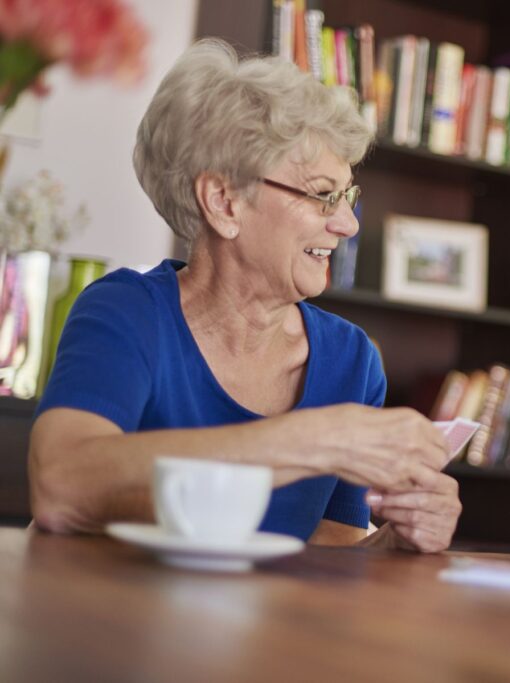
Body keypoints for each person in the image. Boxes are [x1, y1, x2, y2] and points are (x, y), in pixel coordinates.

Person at [29, 39, 460, 553]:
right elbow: (61, 485)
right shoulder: (125, 315)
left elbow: (332, 552)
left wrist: (398, 540)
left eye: (347, 197)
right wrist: (313, 440)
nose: (346, 224)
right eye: (323, 195)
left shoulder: (352, 359)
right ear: (224, 202)